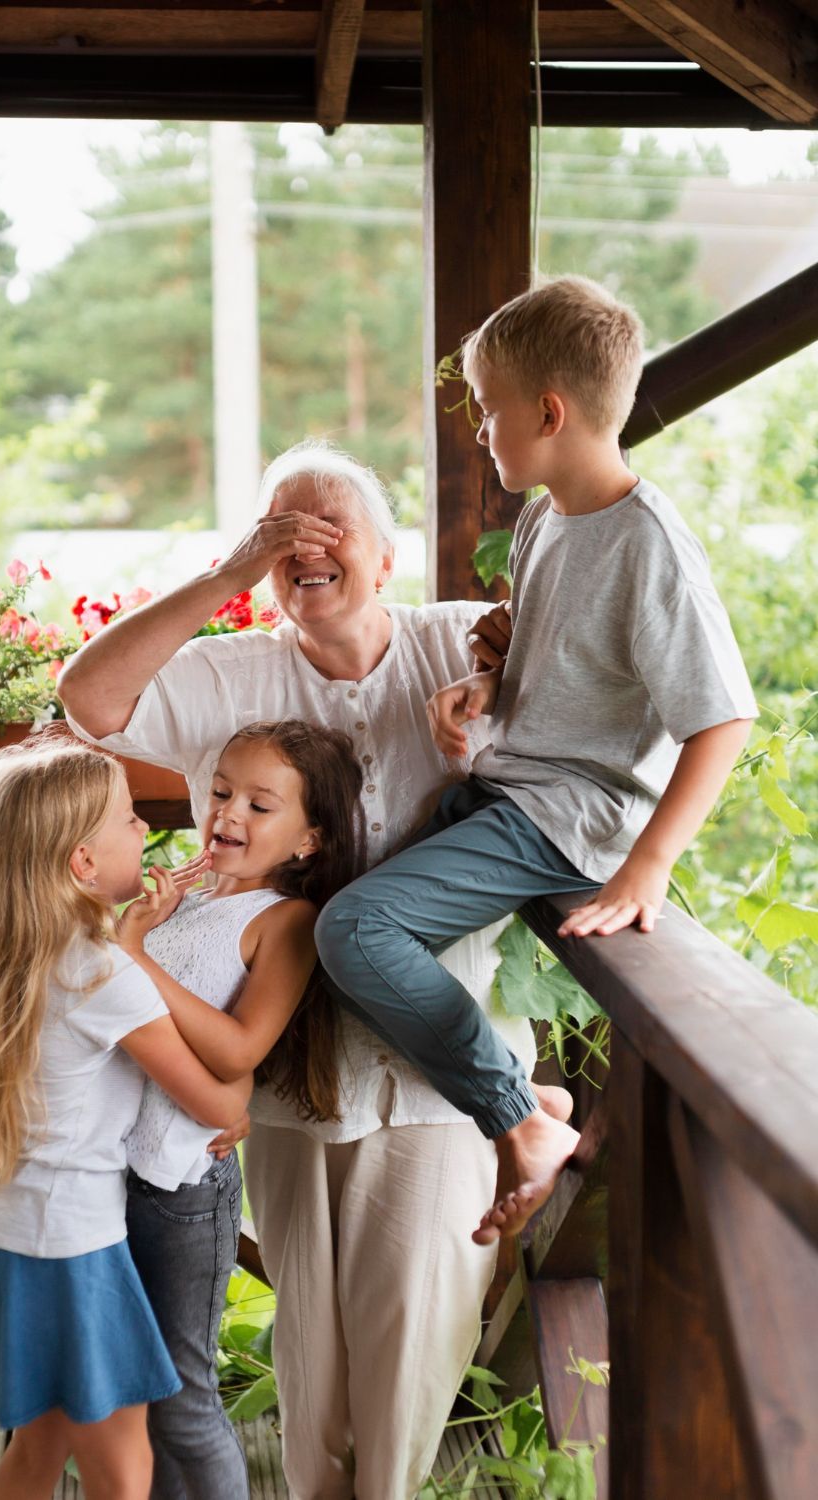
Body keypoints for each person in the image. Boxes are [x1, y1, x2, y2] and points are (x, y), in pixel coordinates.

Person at [57, 441, 549, 1500]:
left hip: (435, 1075)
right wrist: (228, 574)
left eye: (331, 529)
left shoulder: (453, 639)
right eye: (285, 531)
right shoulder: (227, 672)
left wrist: (488, 731)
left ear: (384, 554)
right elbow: (89, 704)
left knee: (413, 1351)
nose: (307, 549)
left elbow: (587, 729)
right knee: (312, 1363)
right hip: (288, 1079)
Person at [315, 274, 758, 1246]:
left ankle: (518, 1119)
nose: (479, 431)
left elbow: (719, 720)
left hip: (566, 818)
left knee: (354, 933)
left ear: (548, 412)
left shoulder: (651, 547)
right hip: (504, 790)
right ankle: (530, 1110)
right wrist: (493, 676)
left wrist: (648, 865)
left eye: (488, 411)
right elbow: (555, 645)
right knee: (327, 901)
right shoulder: (549, 516)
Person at [0, 732, 253, 1500]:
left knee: (39, 1447)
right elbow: (222, 1101)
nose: (144, 828)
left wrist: (127, 936)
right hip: (73, 1254)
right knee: (123, 1468)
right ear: (82, 864)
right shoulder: (102, 976)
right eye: (129, 817)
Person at [120, 718, 365, 1500]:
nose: (228, 815)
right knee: (130, 1386)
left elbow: (236, 1048)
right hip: (114, 1170)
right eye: (222, 793)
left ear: (307, 841)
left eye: (261, 806)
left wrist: (129, 953)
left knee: (180, 1398)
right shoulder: (182, 902)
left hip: (184, 1187)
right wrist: (138, 930)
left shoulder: (283, 921)